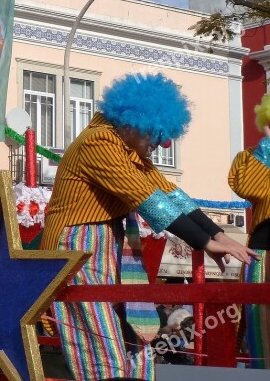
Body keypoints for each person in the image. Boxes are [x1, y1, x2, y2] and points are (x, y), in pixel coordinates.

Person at [40, 72, 258, 381]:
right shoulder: (98, 142)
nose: (158, 143)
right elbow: (146, 199)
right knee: (100, 340)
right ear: (132, 123)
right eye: (152, 136)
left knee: (134, 339)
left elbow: (171, 194)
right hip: (78, 244)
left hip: (112, 243)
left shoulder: (128, 149)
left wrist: (218, 234)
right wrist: (206, 243)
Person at [228, 92, 270, 370]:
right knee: (261, 329)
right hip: (265, 249)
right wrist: (267, 146)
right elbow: (246, 186)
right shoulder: (251, 158)